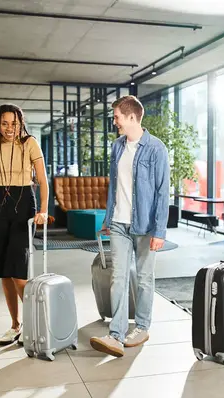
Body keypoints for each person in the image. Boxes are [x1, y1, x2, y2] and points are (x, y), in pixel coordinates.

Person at [89, 95, 170, 358]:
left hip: (145, 226)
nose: (115, 122)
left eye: (117, 117)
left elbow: (162, 192)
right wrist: (108, 218)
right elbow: (114, 186)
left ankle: (142, 327)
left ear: (132, 117)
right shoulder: (117, 147)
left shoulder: (156, 149)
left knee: (145, 278)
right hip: (119, 224)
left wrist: (160, 231)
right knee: (118, 278)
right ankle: (116, 334)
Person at [0, 104, 49, 346]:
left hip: (24, 203)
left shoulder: (30, 144)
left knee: (18, 271)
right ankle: (16, 326)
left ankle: (38, 322)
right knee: (3, 272)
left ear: (20, 123)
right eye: (4, 123)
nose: (9, 128)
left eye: (14, 123)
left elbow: (43, 180)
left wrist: (44, 211)